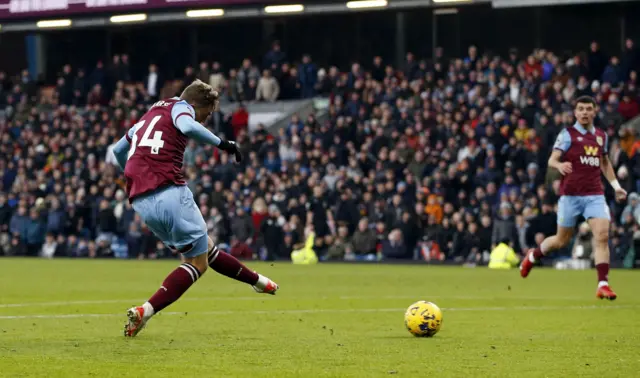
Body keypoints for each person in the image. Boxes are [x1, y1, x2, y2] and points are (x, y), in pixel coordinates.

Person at [111, 80, 279, 337]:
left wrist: (131, 175)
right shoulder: (182, 107)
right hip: (169, 191)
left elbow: (118, 150)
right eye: (207, 113)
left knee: (205, 250)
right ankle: (146, 310)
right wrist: (223, 144)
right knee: (197, 263)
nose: (205, 119)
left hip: (141, 201)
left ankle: (258, 282)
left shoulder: (150, 114)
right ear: (195, 104)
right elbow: (188, 125)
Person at [519, 96, 627, 300]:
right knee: (560, 240)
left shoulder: (601, 136)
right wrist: (559, 166)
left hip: (594, 195)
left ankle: (603, 284)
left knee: (602, 235)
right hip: (570, 197)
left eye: (588, 109)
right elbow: (552, 159)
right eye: (581, 109)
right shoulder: (567, 134)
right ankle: (533, 255)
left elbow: (604, 163)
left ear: (594, 111)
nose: (585, 112)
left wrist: (616, 187)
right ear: (575, 113)